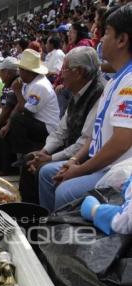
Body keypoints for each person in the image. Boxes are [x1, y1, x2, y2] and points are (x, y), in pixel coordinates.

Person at [38, 4, 132, 212]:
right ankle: (47, 224)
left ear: (122, 40)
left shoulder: (129, 82)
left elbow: (120, 142)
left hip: (118, 172)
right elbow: (94, 134)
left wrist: (79, 170)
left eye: (105, 33)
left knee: (65, 191)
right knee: (50, 174)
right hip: (101, 166)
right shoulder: (117, 80)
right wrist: (74, 162)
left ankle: (58, 237)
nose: (99, 38)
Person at [20, 47, 104, 203]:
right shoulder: (77, 89)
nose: (60, 74)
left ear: (78, 72)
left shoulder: (99, 94)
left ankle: (51, 220)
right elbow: (61, 130)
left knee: (44, 170)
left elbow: (85, 142)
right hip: (71, 150)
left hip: (87, 158)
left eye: (64, 68)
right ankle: (33, 215)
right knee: (30, 160)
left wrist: (51, 157)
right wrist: (43, 152)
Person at [2, 49, 60, 156]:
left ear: (28, 71)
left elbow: (27, 112)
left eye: (21, 70)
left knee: (17, 119)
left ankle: (26, 153)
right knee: (11, 122)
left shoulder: (39, 85)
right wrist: (8, 125)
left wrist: (17, 91)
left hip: (48, 127)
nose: (19, 73)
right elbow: (20, 105)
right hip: (37, 123)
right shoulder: (30, 83)